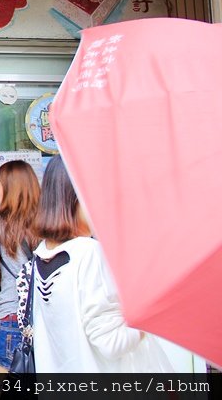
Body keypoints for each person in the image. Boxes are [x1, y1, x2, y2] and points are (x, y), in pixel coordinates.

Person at [25, 155, 172, 372]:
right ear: (74, 200)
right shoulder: (88, 254)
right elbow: (111, 343)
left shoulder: (43, 255)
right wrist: (148, 317)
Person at [0, 159, 40, 374]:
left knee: (0, 390)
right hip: (45, 317)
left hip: (12, 315)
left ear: (9, 189)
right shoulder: (46, 222)